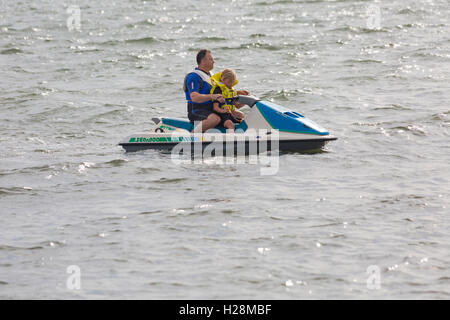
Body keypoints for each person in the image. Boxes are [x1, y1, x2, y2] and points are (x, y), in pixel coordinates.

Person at [183, 49, 224, 133]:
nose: (213, 61)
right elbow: (194, 97)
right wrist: (212, 96)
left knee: (237, 116)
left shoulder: (211, 76)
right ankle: (192, 136)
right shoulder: (194, 76)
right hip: (196, 110)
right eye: (211, 59)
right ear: (203, 61)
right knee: (215, 119)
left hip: (211, 108)